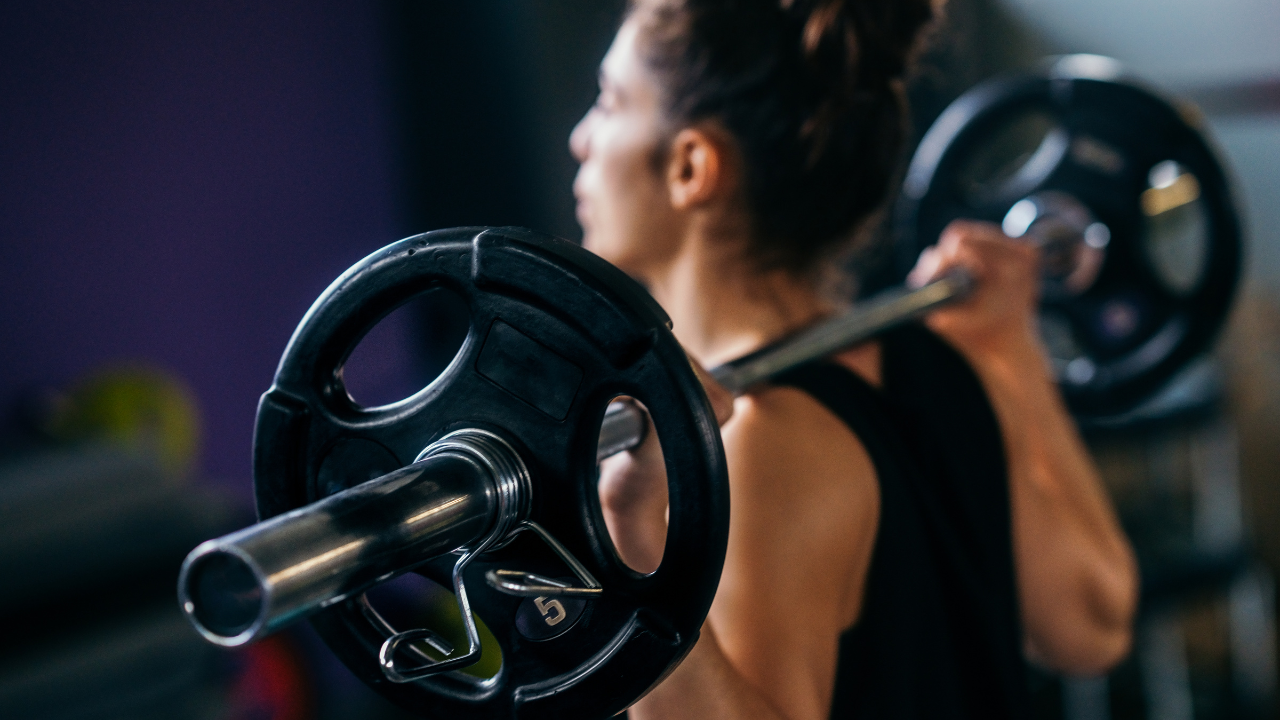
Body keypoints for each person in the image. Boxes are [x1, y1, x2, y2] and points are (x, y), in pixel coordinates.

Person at [571, 0, 1140, 718]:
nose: (581, 139)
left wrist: (634, 537)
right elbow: (1094, 624)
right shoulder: (943, 366)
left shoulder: (760, 449)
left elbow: (1093, 631)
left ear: (692, 166)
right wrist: (1011, 352)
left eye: (610, 102)